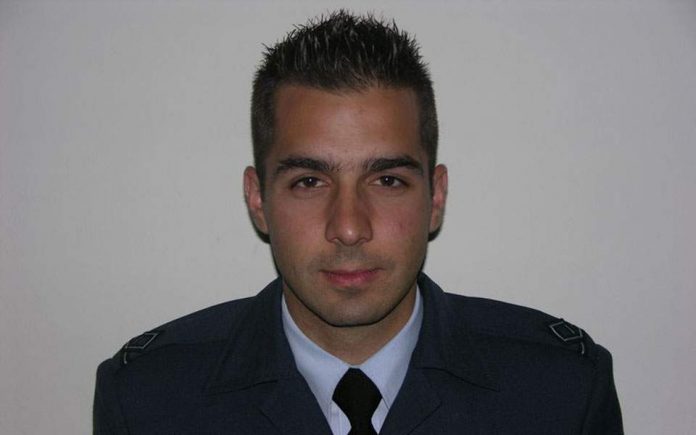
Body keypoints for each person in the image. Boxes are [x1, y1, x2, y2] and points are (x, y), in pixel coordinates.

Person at [93, 11, 622, 434]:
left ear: (435, 197)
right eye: (309, 181)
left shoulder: (561, 393)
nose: (348, 228)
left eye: (387, 180)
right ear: (258, 199)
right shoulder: (148, 400)